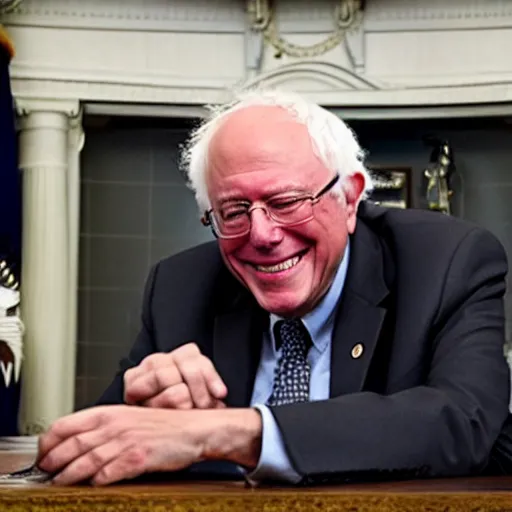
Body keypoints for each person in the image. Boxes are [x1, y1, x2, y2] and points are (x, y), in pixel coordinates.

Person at [36, 90, 512, 486]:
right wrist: (139, 408)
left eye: (286, 202)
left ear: (349, 199)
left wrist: (230, 433)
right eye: (234, 211)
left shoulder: (447, 261)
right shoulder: (179, 287)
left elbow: (463, 423)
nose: (262, 235)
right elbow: (78, 454)